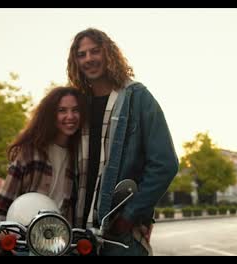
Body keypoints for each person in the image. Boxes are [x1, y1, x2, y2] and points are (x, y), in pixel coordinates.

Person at [67, 28, 179, 256]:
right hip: (76, 233)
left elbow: (165, 164)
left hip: (120, 234)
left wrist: (130, 216)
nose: (89, 59)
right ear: (76, 62)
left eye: (95, 51)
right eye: (82, 54)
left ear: (108, 54)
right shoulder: (77, 106)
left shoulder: (137, 98)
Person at [0, 86, 85, 255]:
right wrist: (8, 238)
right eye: (62, 110)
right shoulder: (29, 152)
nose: (70, 116)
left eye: (75, 110)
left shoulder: (80, 157)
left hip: (56, 245)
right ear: (50, 115)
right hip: (21, 245)